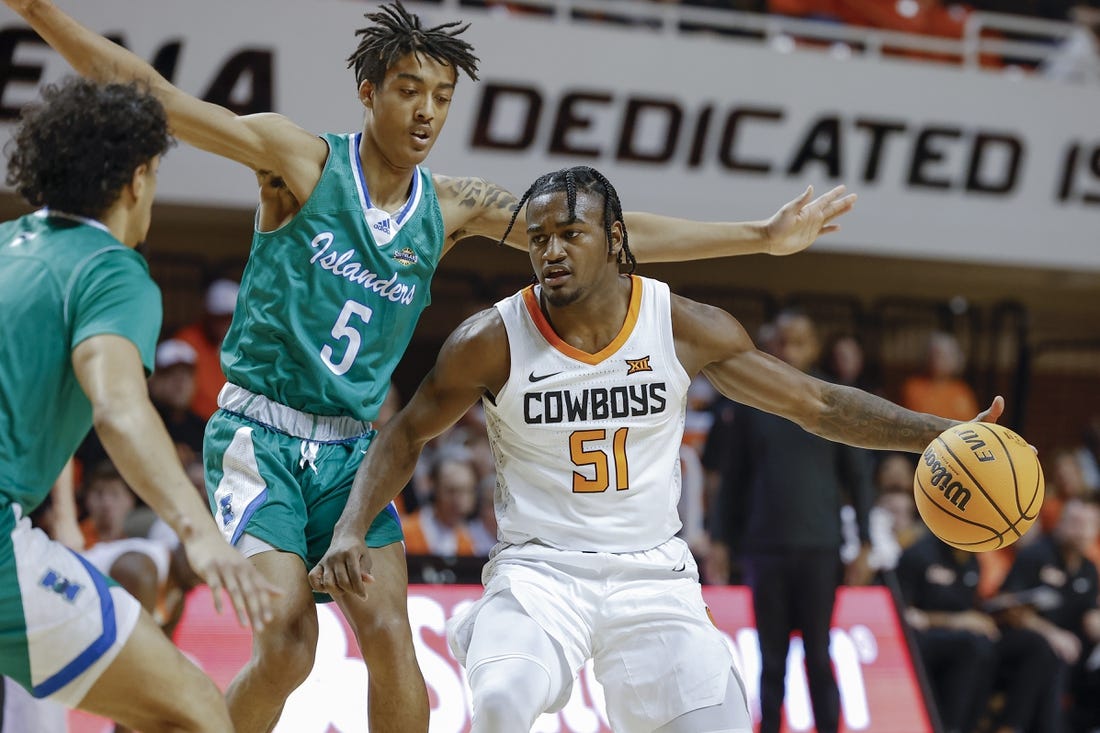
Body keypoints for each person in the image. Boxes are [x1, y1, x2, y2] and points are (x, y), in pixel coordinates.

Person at [4, 2, 860, 731]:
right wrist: (41, 12)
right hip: (258, 437)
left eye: (442, 98)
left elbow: (612, 228)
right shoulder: (299, 161)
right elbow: (156, 97)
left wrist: (758, 236)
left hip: (351, 451)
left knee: (390, 635)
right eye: (409, 90)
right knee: (292, 642)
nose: (426, 112)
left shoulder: (452, 206)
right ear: (368, 92)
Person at [309, 165, 1004, 733]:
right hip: (539, 575)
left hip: (655, 579)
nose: (550, 250)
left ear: (616, 238)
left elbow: (816, 404)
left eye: (569, 233)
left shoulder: (679, 325)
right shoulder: (490, 338)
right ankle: (490, 630)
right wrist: (349, 527)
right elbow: (402, 436)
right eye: (538, 237)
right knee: (497, 706)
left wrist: (935, 431)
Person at [0, 76, 275, 731]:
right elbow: (119, 407)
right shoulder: (108, 268)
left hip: (22, 526)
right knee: (197, 711)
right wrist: (199, 531)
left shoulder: (6, 244)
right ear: (138, 178)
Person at [705, 308, 877, 733]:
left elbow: (859, 478)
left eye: (799, 341)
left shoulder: (834, 398)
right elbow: (733, 479)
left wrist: (867, 544)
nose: (789, 349)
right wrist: (720, 541)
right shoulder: (750, 401)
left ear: (815, 346)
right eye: (782, 341)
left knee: (819, 655)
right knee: (771, 659)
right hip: (765, 547)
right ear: (770, 344)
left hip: (820, 546)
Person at [897, 529, 1062, 733]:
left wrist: (1000, 612)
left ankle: (1008, 726)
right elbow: (900, 613)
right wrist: (953, 621)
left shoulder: (972, 559)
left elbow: (970, 607)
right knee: (973, 645)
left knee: (1035, 645)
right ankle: (952, 727)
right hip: (923, 639)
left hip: (969, 635)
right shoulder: (919, 554)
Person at [997, 498, 1100, 733]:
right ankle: (1012, 726)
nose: (1083, 531)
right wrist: (1053, 634)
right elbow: (1009, 607)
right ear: (1060, 523)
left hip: (1070, 650)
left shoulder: (1088, 568)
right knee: (1047, 650)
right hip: (1019, 641)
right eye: (1076, 523)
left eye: (1090, 524)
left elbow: (1090, 616)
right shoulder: (1036, 555)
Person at [173, 278, 238, 420]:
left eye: (230, 317)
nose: (225, 324)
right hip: (195, 424)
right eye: (219, 318)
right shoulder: (187, 341)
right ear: (207, 315)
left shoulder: (240, 345)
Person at [900, 330, 980, 422]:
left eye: (947, 355)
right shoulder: (913, 387)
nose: (940, 360)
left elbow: (972, 423)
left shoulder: (962, 390)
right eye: (937, 354)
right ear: (928, 356)